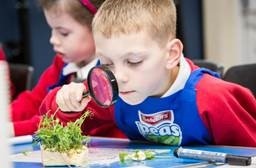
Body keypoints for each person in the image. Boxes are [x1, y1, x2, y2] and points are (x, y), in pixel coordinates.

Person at [40, 0, 256, 146]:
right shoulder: (113, 92)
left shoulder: (213, 99)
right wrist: (66, 103)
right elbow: (52, 120)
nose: (120, 76)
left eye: (133, 61)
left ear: (171, 54)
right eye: (106, 63)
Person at [9, 0, 115, 136]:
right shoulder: (63, 63)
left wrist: (12, 129)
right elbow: (35, 100)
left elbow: (68, 123)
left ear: (99, 29)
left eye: (63, 33)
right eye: (52, 29)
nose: (52, 39)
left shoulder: (110, 72)